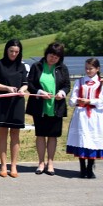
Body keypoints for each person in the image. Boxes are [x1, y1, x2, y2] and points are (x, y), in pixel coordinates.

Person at [26, 43, 70, 176]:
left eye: (56, 57)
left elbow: (67, 85)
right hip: (40, 107)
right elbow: (30, 83)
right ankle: (41, 162)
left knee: (52, 136)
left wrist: (62, 93)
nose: (53, 59)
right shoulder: (37, 66)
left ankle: (50, 163)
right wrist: (39, 92)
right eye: (51, 55)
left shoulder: (62, 68)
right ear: (46, 54)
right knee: (40, 135)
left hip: (56, 107)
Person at [66, 58, 103, 179]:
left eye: (91, 68)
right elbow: (72, 99)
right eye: (86, 68)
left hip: (96, 115)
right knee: (81, 140)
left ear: (97, 69)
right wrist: (77, 101)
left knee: (93, 140)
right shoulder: (80, 82)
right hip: (81, 115)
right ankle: (82, 168)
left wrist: (90, 101)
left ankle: (90, 167)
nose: (88, 70)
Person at [0, 39, 28, 178]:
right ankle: (3, 165)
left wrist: (22, 90)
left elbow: (25, 83)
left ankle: (13, 165)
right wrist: (7, 88)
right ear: (7, 50)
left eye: (16, 52)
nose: (13, 54)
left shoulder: (22, 66)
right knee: (3, 133)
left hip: (17, 102)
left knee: (15, 135)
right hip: (3, 102)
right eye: (11, 51)